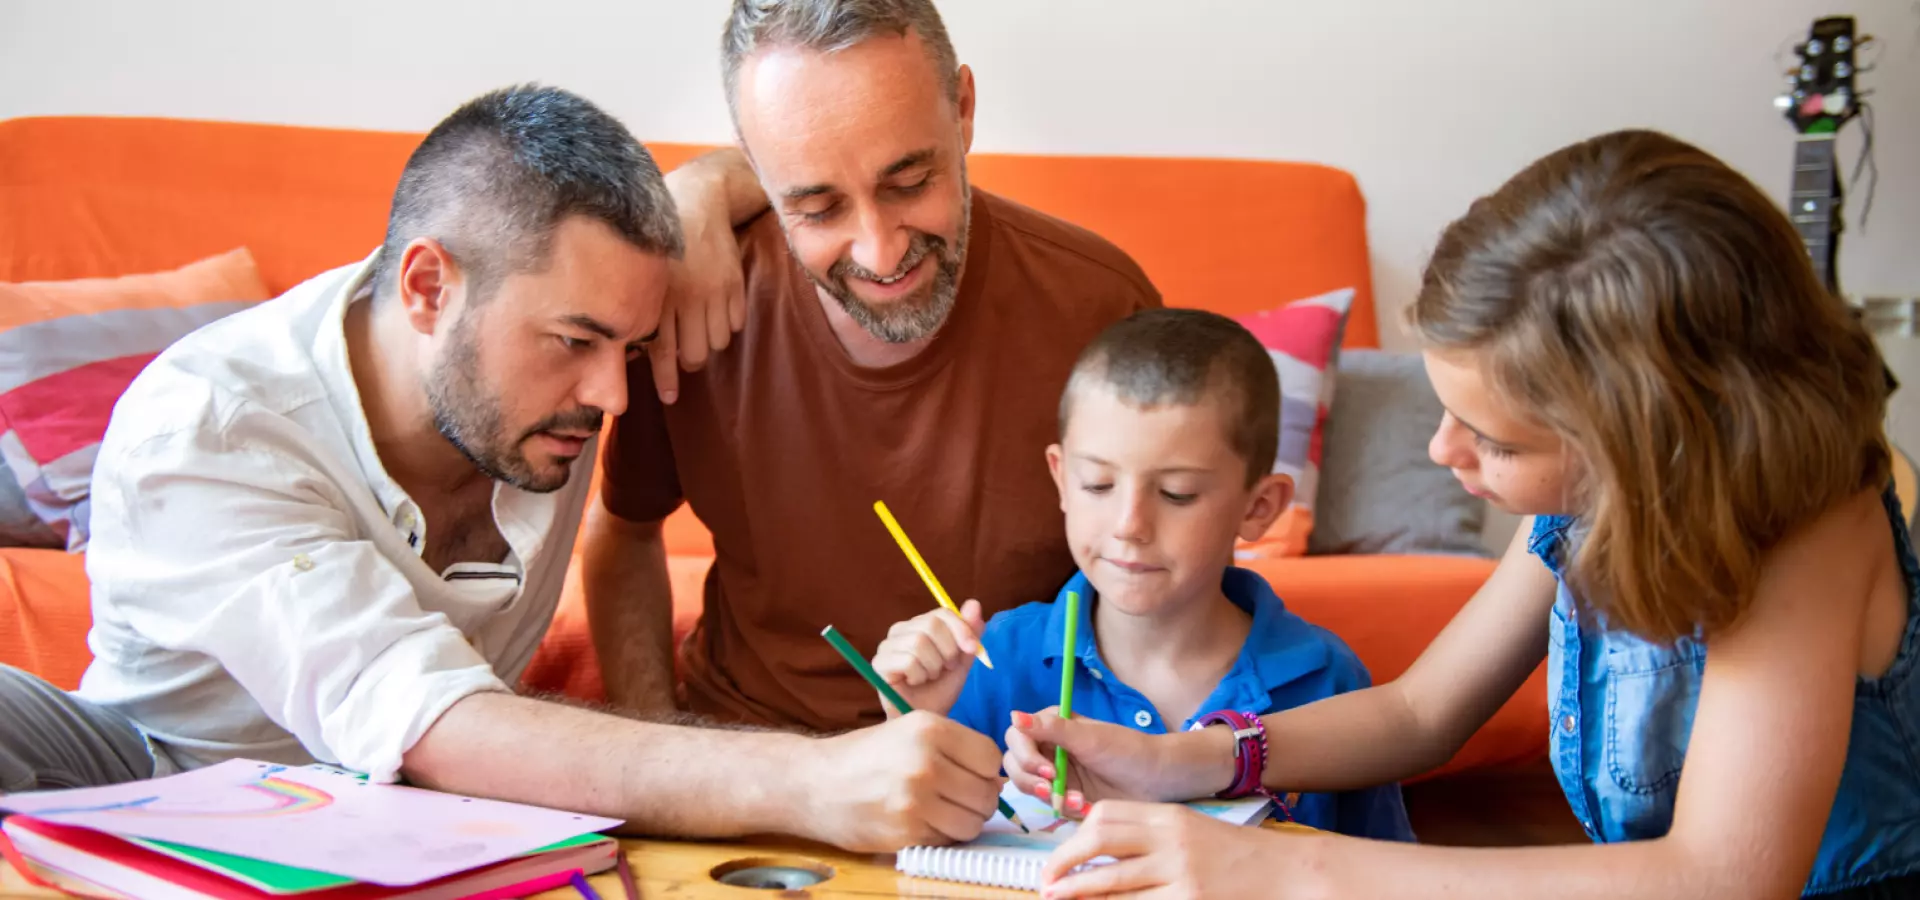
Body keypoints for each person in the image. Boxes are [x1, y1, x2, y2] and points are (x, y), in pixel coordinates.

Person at [0, 84, 1005, 854]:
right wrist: (819, 784)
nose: (615, 396)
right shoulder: (210, 426)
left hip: (423, 821)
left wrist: (705, 192)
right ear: (429, 286)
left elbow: (816, 163)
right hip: (170, 783)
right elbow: (434, 722)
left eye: (632, 343)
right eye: (574, 341)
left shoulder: (547, 350)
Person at [1002, 129, 1920, 898]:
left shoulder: (1810, 528)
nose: (1444, 451)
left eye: (1497, 441)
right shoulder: (1592, 505)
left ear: (1643, 443)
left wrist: (1279, 866)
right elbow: (1418, 713)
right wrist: (1191, 761)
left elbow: (1721, 877)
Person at [581, 0, 1163, 731]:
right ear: (757, 167)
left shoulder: (1100, 304)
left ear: (964, 109)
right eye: (819, 209)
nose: (880, 254)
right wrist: (659, 752)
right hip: (752, 759)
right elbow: (626, 531)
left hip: (1013, 781)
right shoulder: (695, 299)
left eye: (910, 183)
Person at [870, 308, 1416, 841]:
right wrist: (910, 724)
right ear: (1061, 479)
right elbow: (907, 857)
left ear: (1259, 507)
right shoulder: (995, 659)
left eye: (1177, 493)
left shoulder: (1329, 685)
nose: (1130, 525)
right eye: (1098, 486)